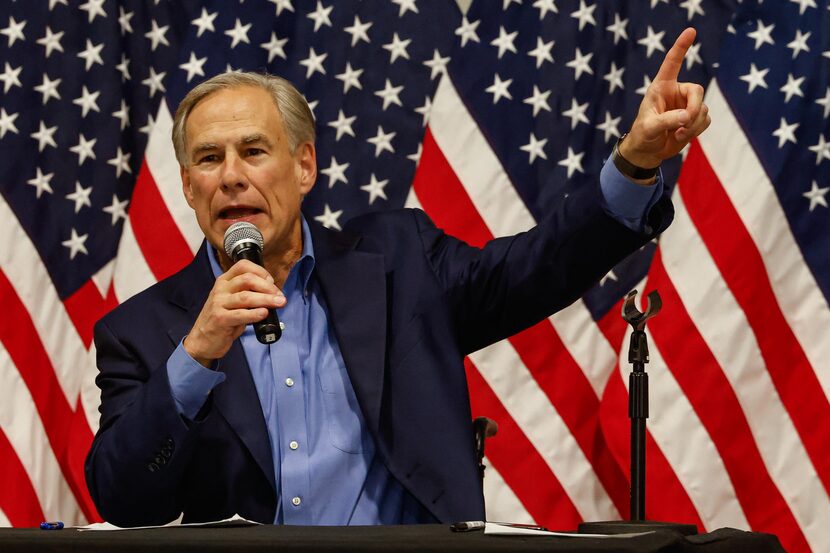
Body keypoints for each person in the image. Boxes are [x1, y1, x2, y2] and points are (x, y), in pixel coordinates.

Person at [85, 28, 710, 527]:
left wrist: (633, 164)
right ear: (189, 188)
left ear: (304, 167)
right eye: (208, 159)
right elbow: (123, 501)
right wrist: (195, 357)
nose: (230, 176)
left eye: (253, 151)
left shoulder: (399, 262)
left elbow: (533, 270)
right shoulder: (141, 332)